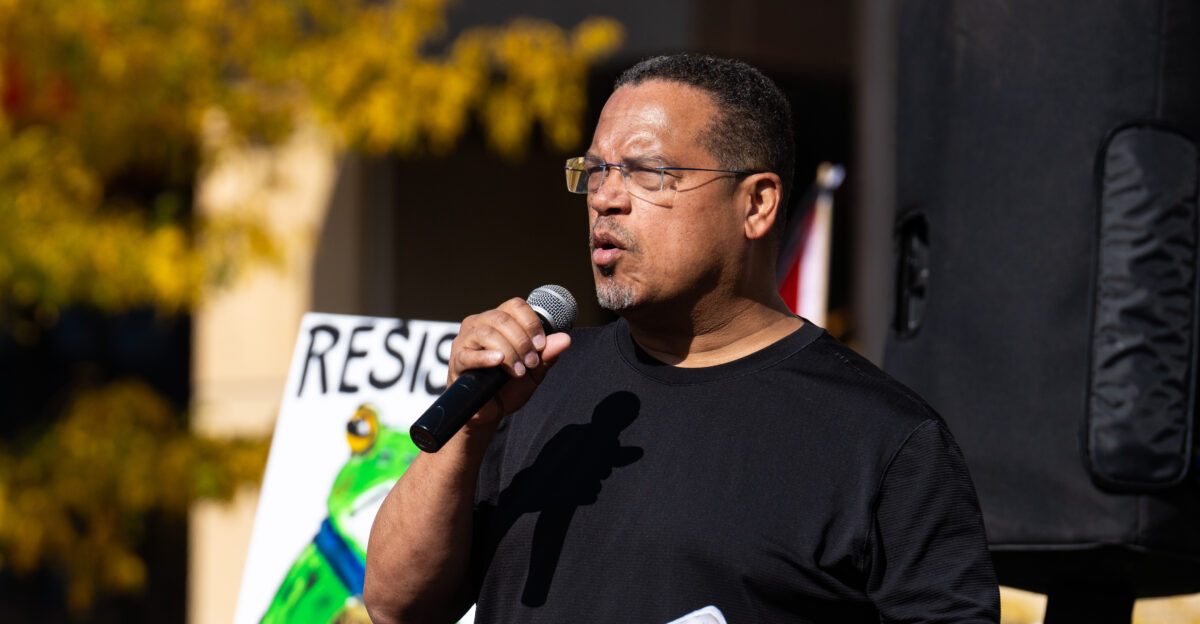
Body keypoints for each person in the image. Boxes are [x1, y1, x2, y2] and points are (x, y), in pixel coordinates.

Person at [363, 53, 1000, 623]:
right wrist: (469, 430)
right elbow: (395, 604)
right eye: (596, 171)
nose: (606, 198)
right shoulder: (531, 384)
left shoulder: (885, 441)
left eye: (648, 172)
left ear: (757, 205)